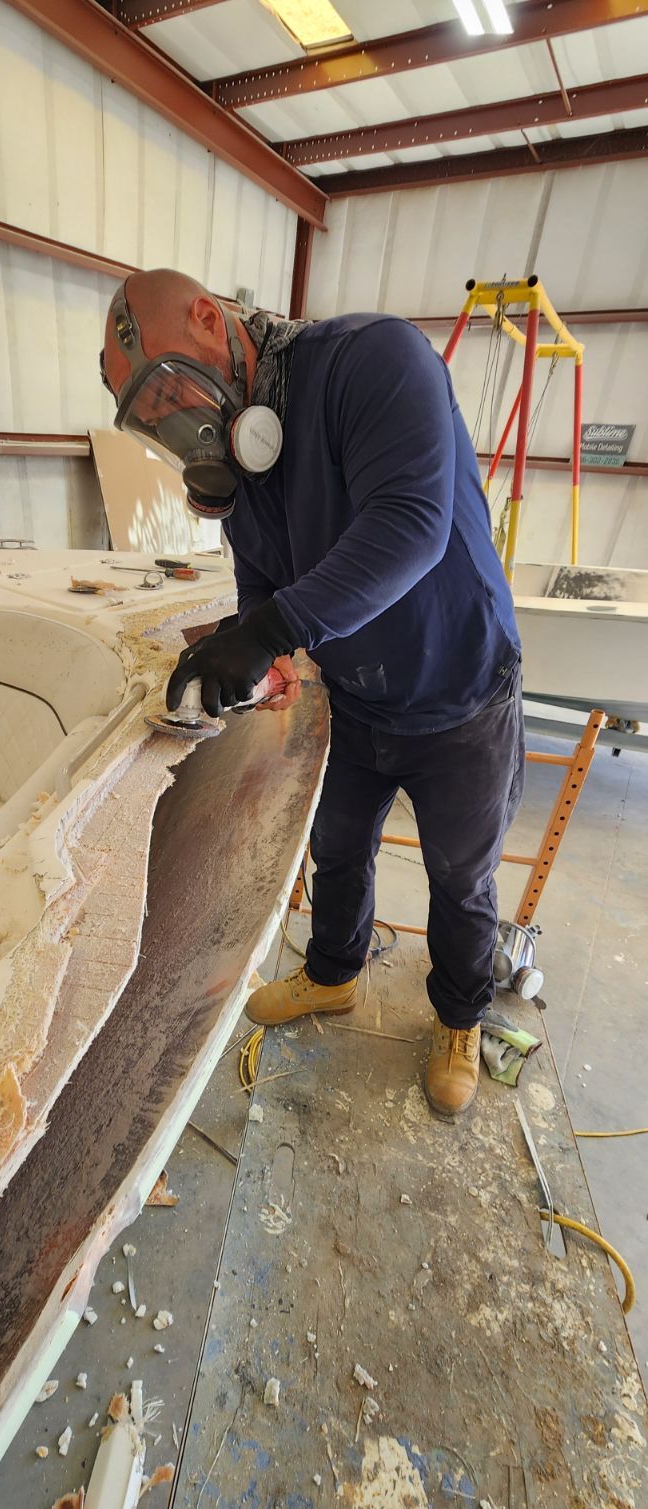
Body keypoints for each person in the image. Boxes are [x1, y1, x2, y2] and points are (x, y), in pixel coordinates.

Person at [100, 269, 523, 1120]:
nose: (177, 428)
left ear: (211, 321)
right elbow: (260, 576)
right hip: (358, 699)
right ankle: (334, 975)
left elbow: (409, 524)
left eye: (168, 394)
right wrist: (261, 650)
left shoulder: (377, 362)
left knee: (460, 876)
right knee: (335, 850)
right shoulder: (243, 466)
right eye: (151, 426)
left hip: (460, 692)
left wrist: (266, 631)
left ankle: (458, 1017)